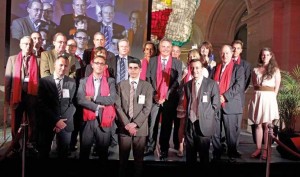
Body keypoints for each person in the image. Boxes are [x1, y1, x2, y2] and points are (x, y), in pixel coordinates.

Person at [177, 59, 220, 175]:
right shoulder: (187, 85)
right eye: (192, 68)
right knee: (190, 157)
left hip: (204, 125)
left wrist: (205, 116)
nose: (195, 70)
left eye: (197, 68)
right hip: (190, 124)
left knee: (204, 157)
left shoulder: (211, 84)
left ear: (202, 69)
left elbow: (216, 105)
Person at [144, 38, 182, 160]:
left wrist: (166, 95)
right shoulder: (153, 60)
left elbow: (177, 81)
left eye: (167, 47)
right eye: (163, 46)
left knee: (166, 125)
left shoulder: (177, 63)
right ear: (159, 48)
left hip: (169, 100)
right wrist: (155, 94)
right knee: (152, 124)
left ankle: (164, 149)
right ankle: (150, 147)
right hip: (154, 99)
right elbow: (148, 78)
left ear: (171, 49)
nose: (165, 49)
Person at [115, 58, 153, 177]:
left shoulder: (147, 86)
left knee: (138, 161)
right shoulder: (120, 85)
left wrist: (135, 124)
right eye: (130, 68)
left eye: (135, 68)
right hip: (124, 127)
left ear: (140, 69)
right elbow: (118, 106)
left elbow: (147, 108)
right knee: (123, 161)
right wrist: (127, 124)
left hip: (140, 128)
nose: (133, 70)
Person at [5, 36, 40, 156]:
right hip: (17, 96)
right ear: (20, 45)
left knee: (33, 122)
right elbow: (8, 80)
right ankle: (15, 145)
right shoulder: (12, 59)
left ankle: (31, 143)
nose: (28, 46)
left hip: (32, 96)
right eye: (25, 44)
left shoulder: (38, 60)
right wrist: (7, 99)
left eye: (30, 44)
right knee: (16, 122)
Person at [77, 55, 116, 161]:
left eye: (102, 63)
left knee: (103, 154)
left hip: (104, 120)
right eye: (97, 63)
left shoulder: (110, 81)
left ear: (105, 66)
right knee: (84, 152)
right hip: (87, 121)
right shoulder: (83, 81)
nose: (99, 65)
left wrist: (93, 98)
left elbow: (112, 99)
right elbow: (80, 99)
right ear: (92, 65)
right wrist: (97, 106)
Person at [37, 54, 76, 159]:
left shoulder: (71, 82)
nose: (63, 68)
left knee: (63, 154)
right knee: (43, 153)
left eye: (66, 66)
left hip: (65, 124)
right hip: (48, 122)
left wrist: (62, 121)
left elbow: (73, 103)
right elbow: (41, 104)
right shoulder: (44, 81)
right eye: (61, 65)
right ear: (54, 65)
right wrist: (56, 121)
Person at [211, 45, 245, 162]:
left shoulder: (238, 69)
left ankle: (232, 154)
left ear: (231, 54)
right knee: (215, 131)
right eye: (222, 53)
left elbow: (239, 86)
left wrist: (224, 97)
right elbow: (211, 83)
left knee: (231, 133)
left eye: (227, 53)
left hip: (230, 104)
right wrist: (216, 97)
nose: (224, 55)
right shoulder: (216, 68)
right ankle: (216, 153)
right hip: (216, 104)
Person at [248, 47, 281, 160]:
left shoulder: (275, 70)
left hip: (269, 99)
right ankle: (258, 148)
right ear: (260, 56)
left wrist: (272, 100)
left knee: (267, 125)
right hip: (258, 97)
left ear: (271, 56)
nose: (265, 57)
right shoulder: (255, 70)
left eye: (267, 55)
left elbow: (276, 87)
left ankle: (266, 150)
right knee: (258, 124)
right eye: (263, 55)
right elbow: (254, 84)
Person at [231, 39, 252, 157]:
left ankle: (234, 147)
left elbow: (247, 81)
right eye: (233, 48)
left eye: (238, 48)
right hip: (225, 97)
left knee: (236, 124)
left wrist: (239, 93)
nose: (235, 50)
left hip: (238, 97)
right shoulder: (226, 61)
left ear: (241, 50)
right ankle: (224, 145)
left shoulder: (246, 65)